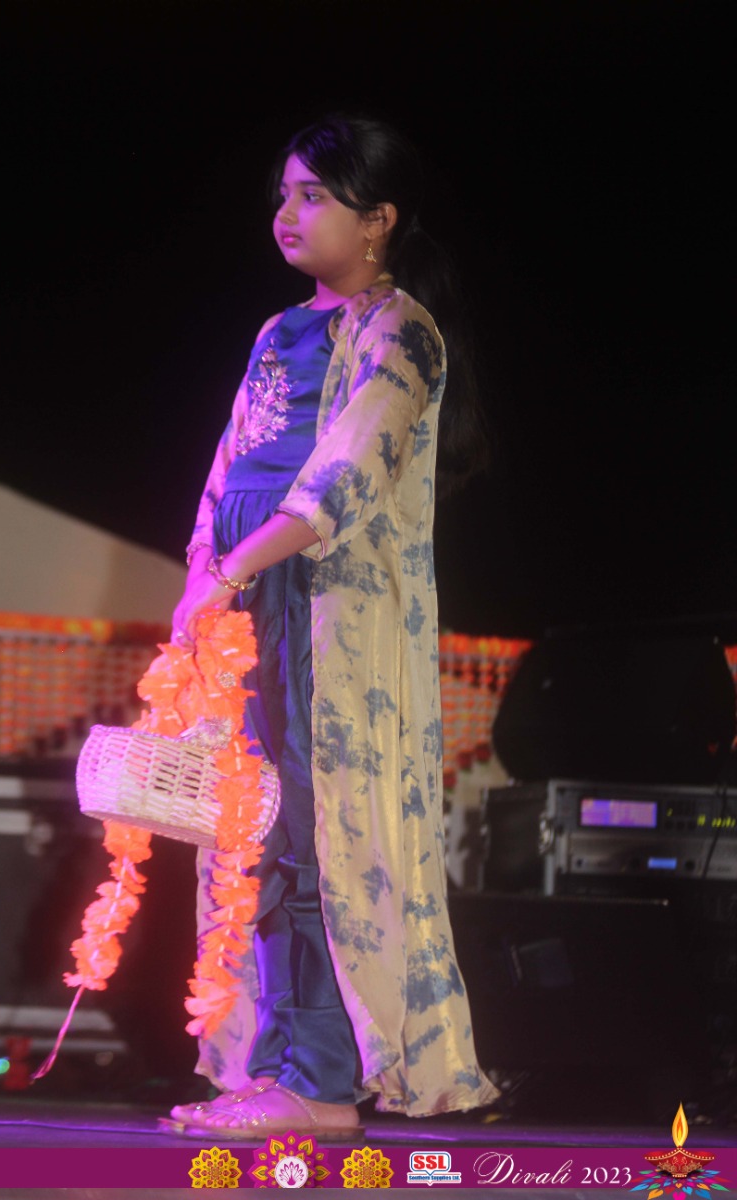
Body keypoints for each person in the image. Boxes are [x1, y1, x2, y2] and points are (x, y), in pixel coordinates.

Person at [165, 115, 499, 1139]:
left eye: (313, 195)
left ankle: (318, 1085)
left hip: (323, 613)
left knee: (319, 839)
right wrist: (200, 577)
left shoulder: (401, 330)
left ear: (378, 218)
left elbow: (341, 482)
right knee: (252, 835)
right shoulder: (277, 333)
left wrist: (236, 568)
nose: (287, 213)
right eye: (284, 194)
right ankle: (271, 1068)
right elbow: (229, 467)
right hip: (248, 607)